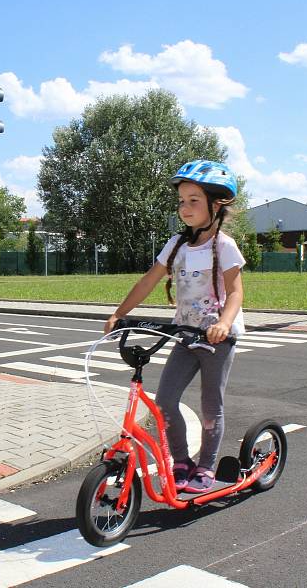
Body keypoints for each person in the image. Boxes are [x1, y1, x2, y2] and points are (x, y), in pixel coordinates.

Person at [104, 160, 245, 494]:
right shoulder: (177, 245)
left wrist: (224, 323)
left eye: (193, 200)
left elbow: (237, 291)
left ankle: (207, 467)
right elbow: (148, 281)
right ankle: (181, 460)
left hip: (216, 339)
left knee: (211, 406)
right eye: (181, 201)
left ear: (217, 204)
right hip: (184, 333)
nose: (185, 207)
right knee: (166, 400)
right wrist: (118, 314)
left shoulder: (224, 246)